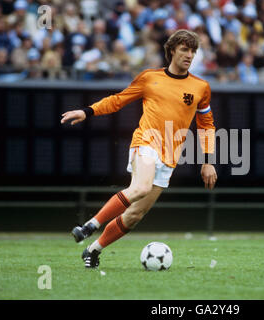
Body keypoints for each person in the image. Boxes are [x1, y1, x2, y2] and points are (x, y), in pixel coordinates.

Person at [61, 29, 217, 268]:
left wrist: (208, 161)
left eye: (193, 50)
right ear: (172, 50)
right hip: (146, 141)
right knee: (141, 187)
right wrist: (87, 111)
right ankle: (90, 225)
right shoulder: (149, 78)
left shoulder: (201, 87)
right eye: (185, 49)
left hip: (170, 157)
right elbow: (117, 100)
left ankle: (92, 250)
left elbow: (207, 125)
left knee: (134, 216)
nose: (190, 55)